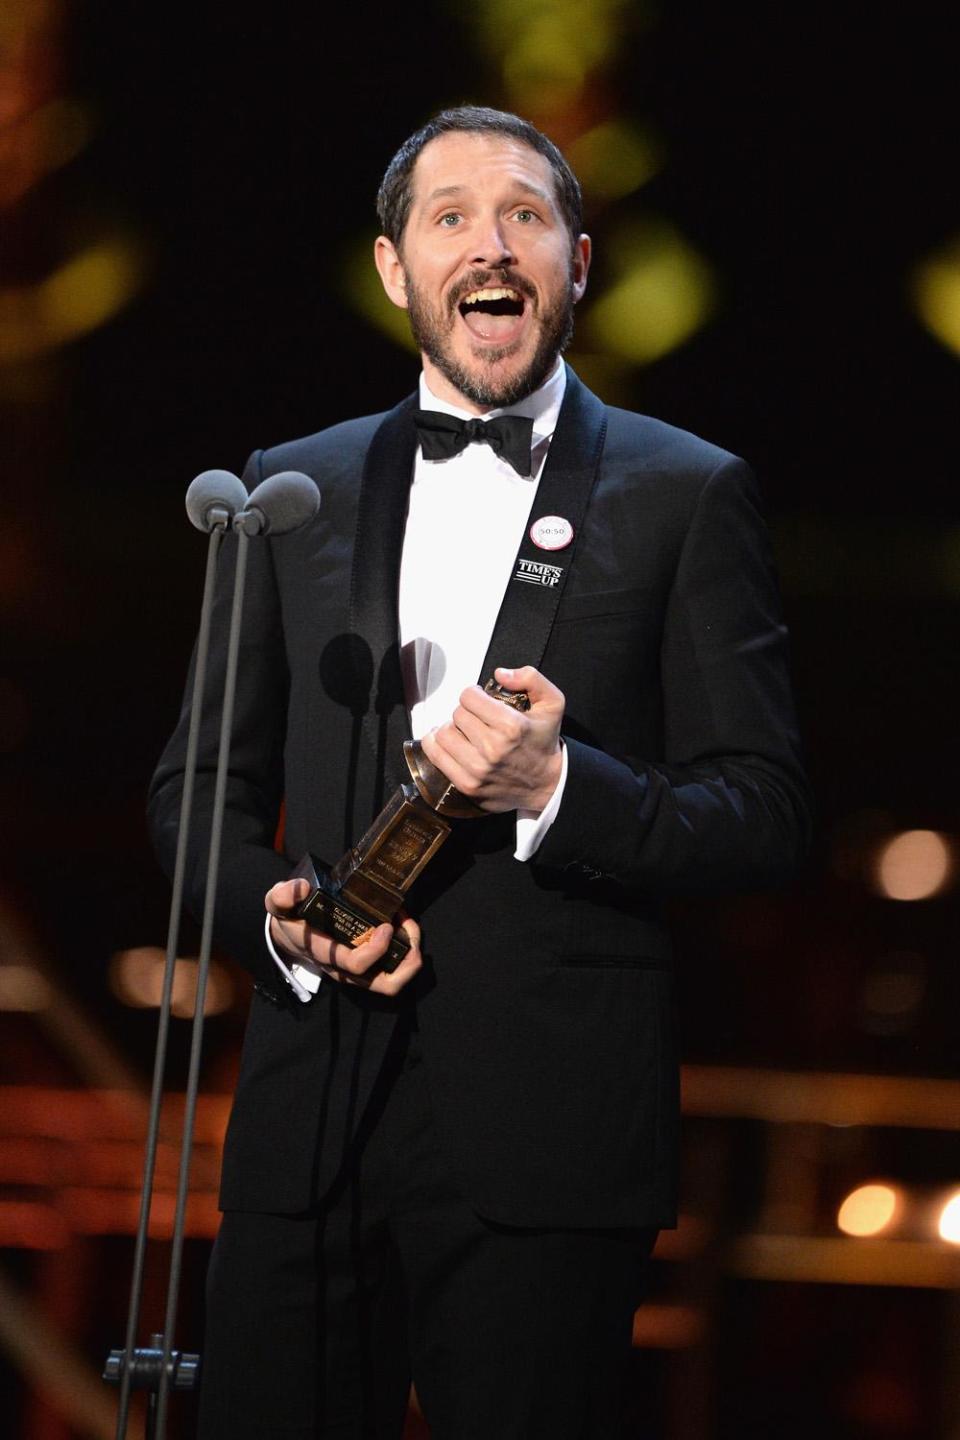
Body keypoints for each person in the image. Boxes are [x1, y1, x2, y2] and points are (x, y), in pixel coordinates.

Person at [148, 105, 811, 1440]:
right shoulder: (289, 489)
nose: (487, 244)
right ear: (396, 268)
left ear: (578, 260)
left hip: (553, 1146)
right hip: (310, 1125)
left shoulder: (691, 494)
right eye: (448, 217)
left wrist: (561, 792)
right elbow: (195, 793)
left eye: (522, 217)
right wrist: (273, 915)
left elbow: (767, 815)